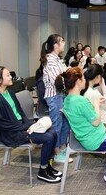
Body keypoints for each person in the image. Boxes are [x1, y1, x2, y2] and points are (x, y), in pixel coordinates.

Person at [57, 67, 106, 187]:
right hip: (97, 140)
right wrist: (96, 103)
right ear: (78, 81)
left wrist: (104, 125)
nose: (85, 80)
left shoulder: (68, 100)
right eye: (83, 78)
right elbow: (95, 121)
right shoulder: (80, 101)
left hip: (96, 133)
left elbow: (86, 122)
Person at [0, 66, 62, 183]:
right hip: (10, 133)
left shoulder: (10, 92)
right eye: (7, 75)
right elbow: (1, 124)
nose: (11, 77)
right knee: (47, 137)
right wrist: (25, 127)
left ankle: (47, 166)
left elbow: (20, 112)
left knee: (53, 132)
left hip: (21, 127)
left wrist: (30, 124)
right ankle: (42, 171)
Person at [40, 34, 71, 163]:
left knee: (65, 123)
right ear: (55, 45)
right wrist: (67, 78)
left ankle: (63, 148)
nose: (64, 43)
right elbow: (57, 81)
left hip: (61, 95)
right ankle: (57, 152)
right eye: (62, 41)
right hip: (54, 96)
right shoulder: (50, 60)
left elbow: (63, 75)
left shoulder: (57, 59)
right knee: (57, 124)